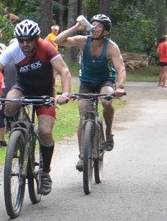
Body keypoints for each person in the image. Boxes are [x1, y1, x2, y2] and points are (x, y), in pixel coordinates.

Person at [0, 19, 72, 195]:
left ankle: (45, 173)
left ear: (37, 38)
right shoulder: (14, 49)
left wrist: (65, 94)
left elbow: (64, 71)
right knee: (9, 104)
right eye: (21, 40)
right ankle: (18, 133)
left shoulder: (46, 47)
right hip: (23, 88)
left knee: (45, 131)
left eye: (29, 40)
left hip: (44, 92)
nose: (25, 44)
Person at [53, 13, 128, 170]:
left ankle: (109, 132)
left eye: (99, 26)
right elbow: (58, 41)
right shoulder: (83, 41)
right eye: (92, 24)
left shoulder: (111, 47)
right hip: (86, 83)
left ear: (105, 31)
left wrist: (120, 87)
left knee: (106, 101)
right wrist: (76, 27)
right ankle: (83, 155)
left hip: (105, 81)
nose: (94, 27)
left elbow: (121, 68)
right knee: (84, 113)